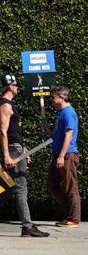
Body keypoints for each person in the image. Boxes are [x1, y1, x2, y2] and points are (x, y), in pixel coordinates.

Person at [0, 74, 49, 237]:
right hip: (11, 151)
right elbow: (3, 131)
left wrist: (23, 149)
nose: (18, 86)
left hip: (16, 149)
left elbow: (13, 132)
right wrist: (7, 155)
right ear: (10, 87)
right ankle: (27, 226)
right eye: (16, 84)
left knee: (9, 188)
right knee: (20, 189)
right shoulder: (5, 105)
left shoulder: (9, 104)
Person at [43, 85, 80, 228]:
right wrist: (50, 130)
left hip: (67, 155)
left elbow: (69, 135)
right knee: (52, 184)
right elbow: (59, 135)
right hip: (60, 154)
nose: (51, 100)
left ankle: (74, 218)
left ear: (62, 98)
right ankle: (68, 212)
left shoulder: (68, 112)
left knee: (71, 187)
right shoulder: (62, 113)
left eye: (53, 97)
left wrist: (62, 156)